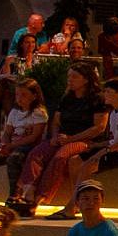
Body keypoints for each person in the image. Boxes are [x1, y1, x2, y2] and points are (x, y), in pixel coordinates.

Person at [43, 78, 118, 220]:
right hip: (114, 148)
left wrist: (104, 151)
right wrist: (96, 145)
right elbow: (114, 139)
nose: (105, 95)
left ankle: (71, 208)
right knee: (74, 161)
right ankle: (77, 203)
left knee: (87, 165)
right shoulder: (115, 112)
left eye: (109, 92)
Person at [14, 66, 105, 216]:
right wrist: (55, 136)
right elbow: (56, 120)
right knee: (36, 153)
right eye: (69, 76)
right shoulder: (67, 98)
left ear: (86, 80)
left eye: (74, 77)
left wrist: (71, 139)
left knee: (61, 157)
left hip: (85, 139)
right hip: (62, 137)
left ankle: (39, 198)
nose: (70, 80)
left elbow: (99, 127)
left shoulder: (97, 99)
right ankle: (27, 192)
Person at [0, 78, 47, 203]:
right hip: (12, 145)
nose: (19, 98)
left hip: (27, 146)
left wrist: (12, 145)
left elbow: (34, 136)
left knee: (14, 159)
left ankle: (14, 194)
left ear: (34, 96)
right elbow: (7, 132)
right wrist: (5, 145)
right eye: (17, 94)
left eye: (24, 95)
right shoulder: (14, 112)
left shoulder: (38, 113)